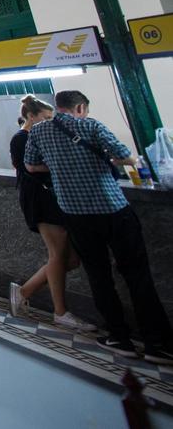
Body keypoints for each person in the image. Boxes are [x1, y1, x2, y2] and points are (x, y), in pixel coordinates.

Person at [24, 90, 171, 360]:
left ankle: (119, 338)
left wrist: (60, 166)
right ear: (80, 108)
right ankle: (157, 344)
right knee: (137, 275)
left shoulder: (39, 132)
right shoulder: (91, 126)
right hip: (112, 209)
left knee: (99, 277)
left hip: (75, 214)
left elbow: (31, 166)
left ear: (58, 107)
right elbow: (127, 156)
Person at [9, 96, 93, 331]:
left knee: (71, 259)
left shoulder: (40, 136)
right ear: (31, 117)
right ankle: (60, 312)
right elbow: (29, 167)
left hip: (55, 198)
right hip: (40, 199)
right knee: (57, 254)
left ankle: (24, 291)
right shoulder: (21, 138)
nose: (49, 122)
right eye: (45, 118)